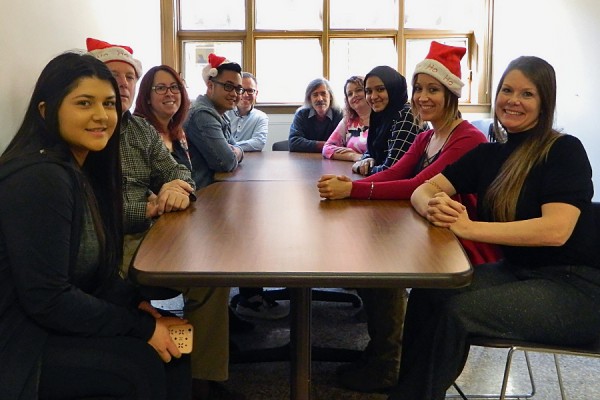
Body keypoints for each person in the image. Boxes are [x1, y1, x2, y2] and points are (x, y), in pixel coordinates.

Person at [394, 56, 600, 400]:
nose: (513, 100)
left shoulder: (564, 150)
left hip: (576, 287)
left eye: (527, 94)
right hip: (517, 273)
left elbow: (555, 230)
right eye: (507, 90)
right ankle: (406, 390)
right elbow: (421, 188)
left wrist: (467, 227)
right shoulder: (488, 156)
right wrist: (433, 205)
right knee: (428, 294)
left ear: (544, 102)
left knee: (457, 314)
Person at [0, 51, 190, 400]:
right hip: (21, 340)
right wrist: (141, 327)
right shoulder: (41, 178)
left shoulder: (84, 170)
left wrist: (136, 304)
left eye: (108, 104)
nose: (101, 116)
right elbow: (49, 298)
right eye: (84, 103)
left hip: (49, 319)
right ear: (46, 110)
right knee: (140, 364)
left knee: (174, 354)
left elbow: (94, 274)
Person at [317, 41, 501, 394]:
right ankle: (381, 352)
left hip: (460, 241)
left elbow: (418, 184)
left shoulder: (468, 139)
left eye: (433, 89)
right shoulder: (429, 134)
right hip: (426, 225)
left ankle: (389, 364)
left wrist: (355, 191)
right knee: (372, 253)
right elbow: (394, 172)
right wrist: (349, 185)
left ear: (452, 94)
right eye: (419, 88)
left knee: (381, 265)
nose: (422, 97)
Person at [133, 64, 246, 399]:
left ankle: (209, 363)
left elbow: (186, 180)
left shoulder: (178, 131)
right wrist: (158, 200)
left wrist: (177, 191)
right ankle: (201, 382)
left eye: (175, 88)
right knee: (210, 275)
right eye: (160, 88)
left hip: (177, 224)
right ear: (146, 96)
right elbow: (223, 160)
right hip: (148, 234)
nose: (170, 94)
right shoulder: (139, 132)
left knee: (223, 252)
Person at [184, 53, 245, 189]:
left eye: (238, 89)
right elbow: (226, 162)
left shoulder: (222, 114)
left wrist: (237, 151)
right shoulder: (202, 114)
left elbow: (236, 147)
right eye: (228, 86)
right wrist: (236, 153)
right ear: (210, 86)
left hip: (215, 187)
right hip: (199, 195)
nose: (234, 94)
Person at [352, 66, 423, 176]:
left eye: (380, 89)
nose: (373, 96)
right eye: (368, 91)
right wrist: (366, 159)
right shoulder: (381, 116)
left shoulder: (407, 115)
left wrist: (360, 168)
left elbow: (392, 171)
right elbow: (371, 151)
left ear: (394, 89)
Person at [322, 75, 370, 161]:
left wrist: (363, 157)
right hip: (352, 169)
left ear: (368, 92)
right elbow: (327, 148)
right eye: (350, 94)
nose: (354, 95)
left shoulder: (382, 120)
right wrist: (353, 156)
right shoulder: (348, 121)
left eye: (359, 90)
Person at [288, 77, 343, 152]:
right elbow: (293, 143)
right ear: (310, 99)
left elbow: (344, 144)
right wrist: (327, 146)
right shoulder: (301, 114)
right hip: (306, 160)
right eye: (315, 95)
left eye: (323, 94)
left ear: (330, 96)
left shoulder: (340, 114)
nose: (320, 99)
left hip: (333, 160)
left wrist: (310, 145)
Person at [226, 72, 269, 151]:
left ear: (256, 93)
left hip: (249, 159)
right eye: (241, 90)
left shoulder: (261, 117)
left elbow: (259, 143)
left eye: (250, 90)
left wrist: (231, 147)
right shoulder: (224, 113)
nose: (245, 95)